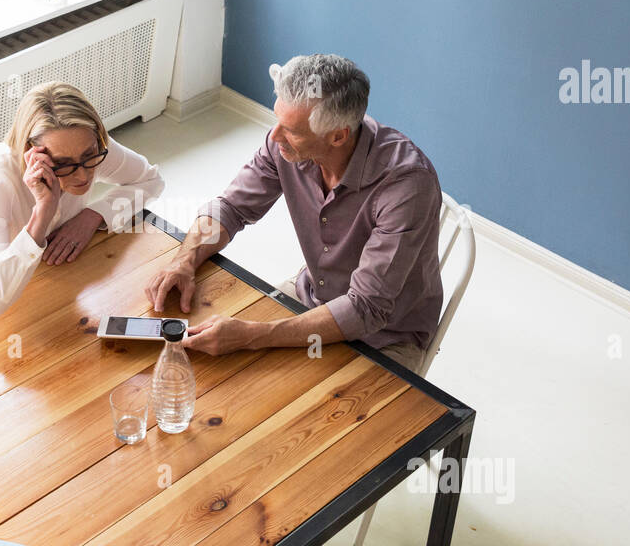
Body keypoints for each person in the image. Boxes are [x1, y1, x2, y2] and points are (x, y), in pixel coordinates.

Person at [145, 53, 443, 374]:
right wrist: (185, 260)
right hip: (312, 296)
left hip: (386, 337)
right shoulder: (284, 145)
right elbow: (231, 207)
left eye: (292, 130)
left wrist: (252, 335)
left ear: (338, 135)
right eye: (278, 121)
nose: (274, 137)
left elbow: (366, 308)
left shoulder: (407, 186)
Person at [0, 81, 164, 316]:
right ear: (31, 153)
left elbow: (150, 180)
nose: (83, 176)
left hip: (29, 277)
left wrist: (93, 215)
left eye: (89, 156)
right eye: (64, 164)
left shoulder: (86, 147)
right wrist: (43, 212)